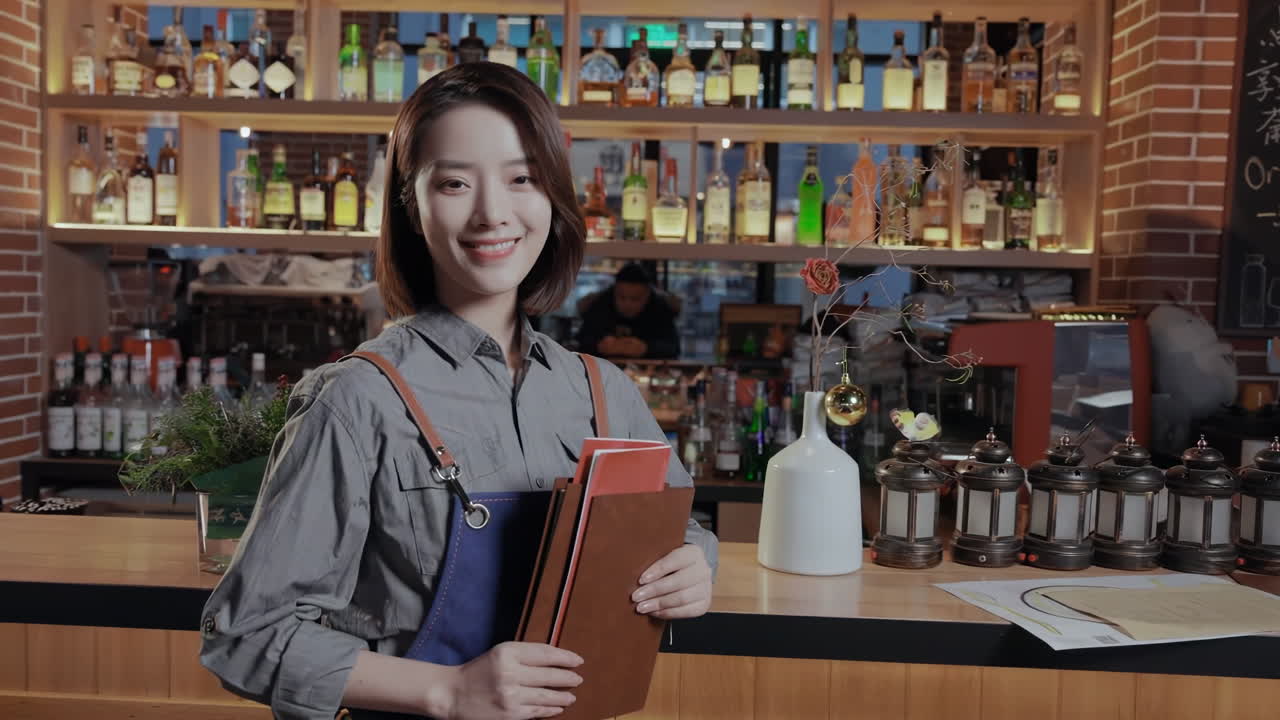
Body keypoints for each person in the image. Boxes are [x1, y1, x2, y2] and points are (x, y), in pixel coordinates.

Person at [199, 63, 717, 720]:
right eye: (454, 183)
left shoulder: (603, 391)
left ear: (553, 198)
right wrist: (447, 690)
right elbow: (245, 636)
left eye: (522, 178)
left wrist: (696, 564)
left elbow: (683, 528)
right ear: (411, 207)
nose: (492, 213)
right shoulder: (356, 400)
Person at [575, 263, 680, 359]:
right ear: (614, 291)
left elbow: (673, 348)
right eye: (622, 297)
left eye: (635, 299)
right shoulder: (600, 305)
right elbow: (580, 343)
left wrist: (646, 348)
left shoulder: (660, 309)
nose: (627, 304)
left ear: (648, 295)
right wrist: (599, 346)